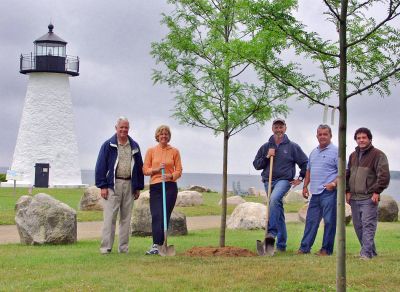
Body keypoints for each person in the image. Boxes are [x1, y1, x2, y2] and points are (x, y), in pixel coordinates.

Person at [253, 118, 308, 251]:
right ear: (272, 129)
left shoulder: (292, 147)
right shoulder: (266, 146)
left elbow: (305, 163)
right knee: (277, 210)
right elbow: (256, 165)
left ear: (285, 128)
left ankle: (271, 233)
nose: (278, 129)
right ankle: (281, 245)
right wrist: (267, 156)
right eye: (276, 127)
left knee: (274, 200)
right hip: (268, 180)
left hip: (284, 180)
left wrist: (300, 178)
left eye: (281, 127)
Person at [95, 117, 144, 254]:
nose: (123, 130)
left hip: (129, 184)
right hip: (112, 185)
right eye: (121, 127)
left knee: (126, 218)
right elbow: (100, 166)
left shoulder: (134, 146)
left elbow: (140, 167)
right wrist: (103, 186)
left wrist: (138, 187)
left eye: (126, 127)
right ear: (116, 128)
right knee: (110, 217)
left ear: (129, 129)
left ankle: (123, 248)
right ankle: (106, 248)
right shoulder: (107, 145)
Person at [346, 127, 390, 260]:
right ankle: (371, 252)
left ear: (369, 139)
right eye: (358, 138)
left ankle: (366, 254)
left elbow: (384, 176)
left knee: (368, 225)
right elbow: (348, 174)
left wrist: (377, 191)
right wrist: (347, 191)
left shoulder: (378, 155)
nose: (361, 140)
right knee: (358, 226)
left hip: (369, 197)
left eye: (364, 137)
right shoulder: (353, 155)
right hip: (354, 197)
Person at [297, 124, 338, 256]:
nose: (322, 137)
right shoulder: (313, 152)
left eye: (325, 134)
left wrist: (334, 183)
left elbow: (344, 172)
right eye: (320, 134)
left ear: (330, 135)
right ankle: (304, 248)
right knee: (311, 221)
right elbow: (309, 170)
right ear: (317, 136)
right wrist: (304, 186)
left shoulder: (337, 151)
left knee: (329, 222)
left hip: (329, 192)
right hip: (315, 193)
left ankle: (326, 250)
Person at [143, 125, 182, 255]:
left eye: (166, 134)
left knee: (165, 215)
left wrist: (171, 175)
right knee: (156, 215)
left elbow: (179, 170)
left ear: (169, 136)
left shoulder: (174, 151)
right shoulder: (151, 151)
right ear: (157, 136)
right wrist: (156, 170)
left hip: (170, 186)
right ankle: (156, 244)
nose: (164, 136)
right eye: (161, 134)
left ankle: (162, 244)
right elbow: (145, 170)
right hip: (155, 186)